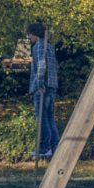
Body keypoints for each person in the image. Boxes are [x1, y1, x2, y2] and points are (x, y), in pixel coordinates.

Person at [27, 21, 60, 161]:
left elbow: (41, 66)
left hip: (43, 87)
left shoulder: (39, 46)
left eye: (29, 35)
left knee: (41, 118)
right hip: (52, 86)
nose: (28, 38)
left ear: (34, 34)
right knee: (50, 118)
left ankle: (44, 147)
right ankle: (54, 147)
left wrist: (40, 84)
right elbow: (54, 66)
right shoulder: (50, 47)